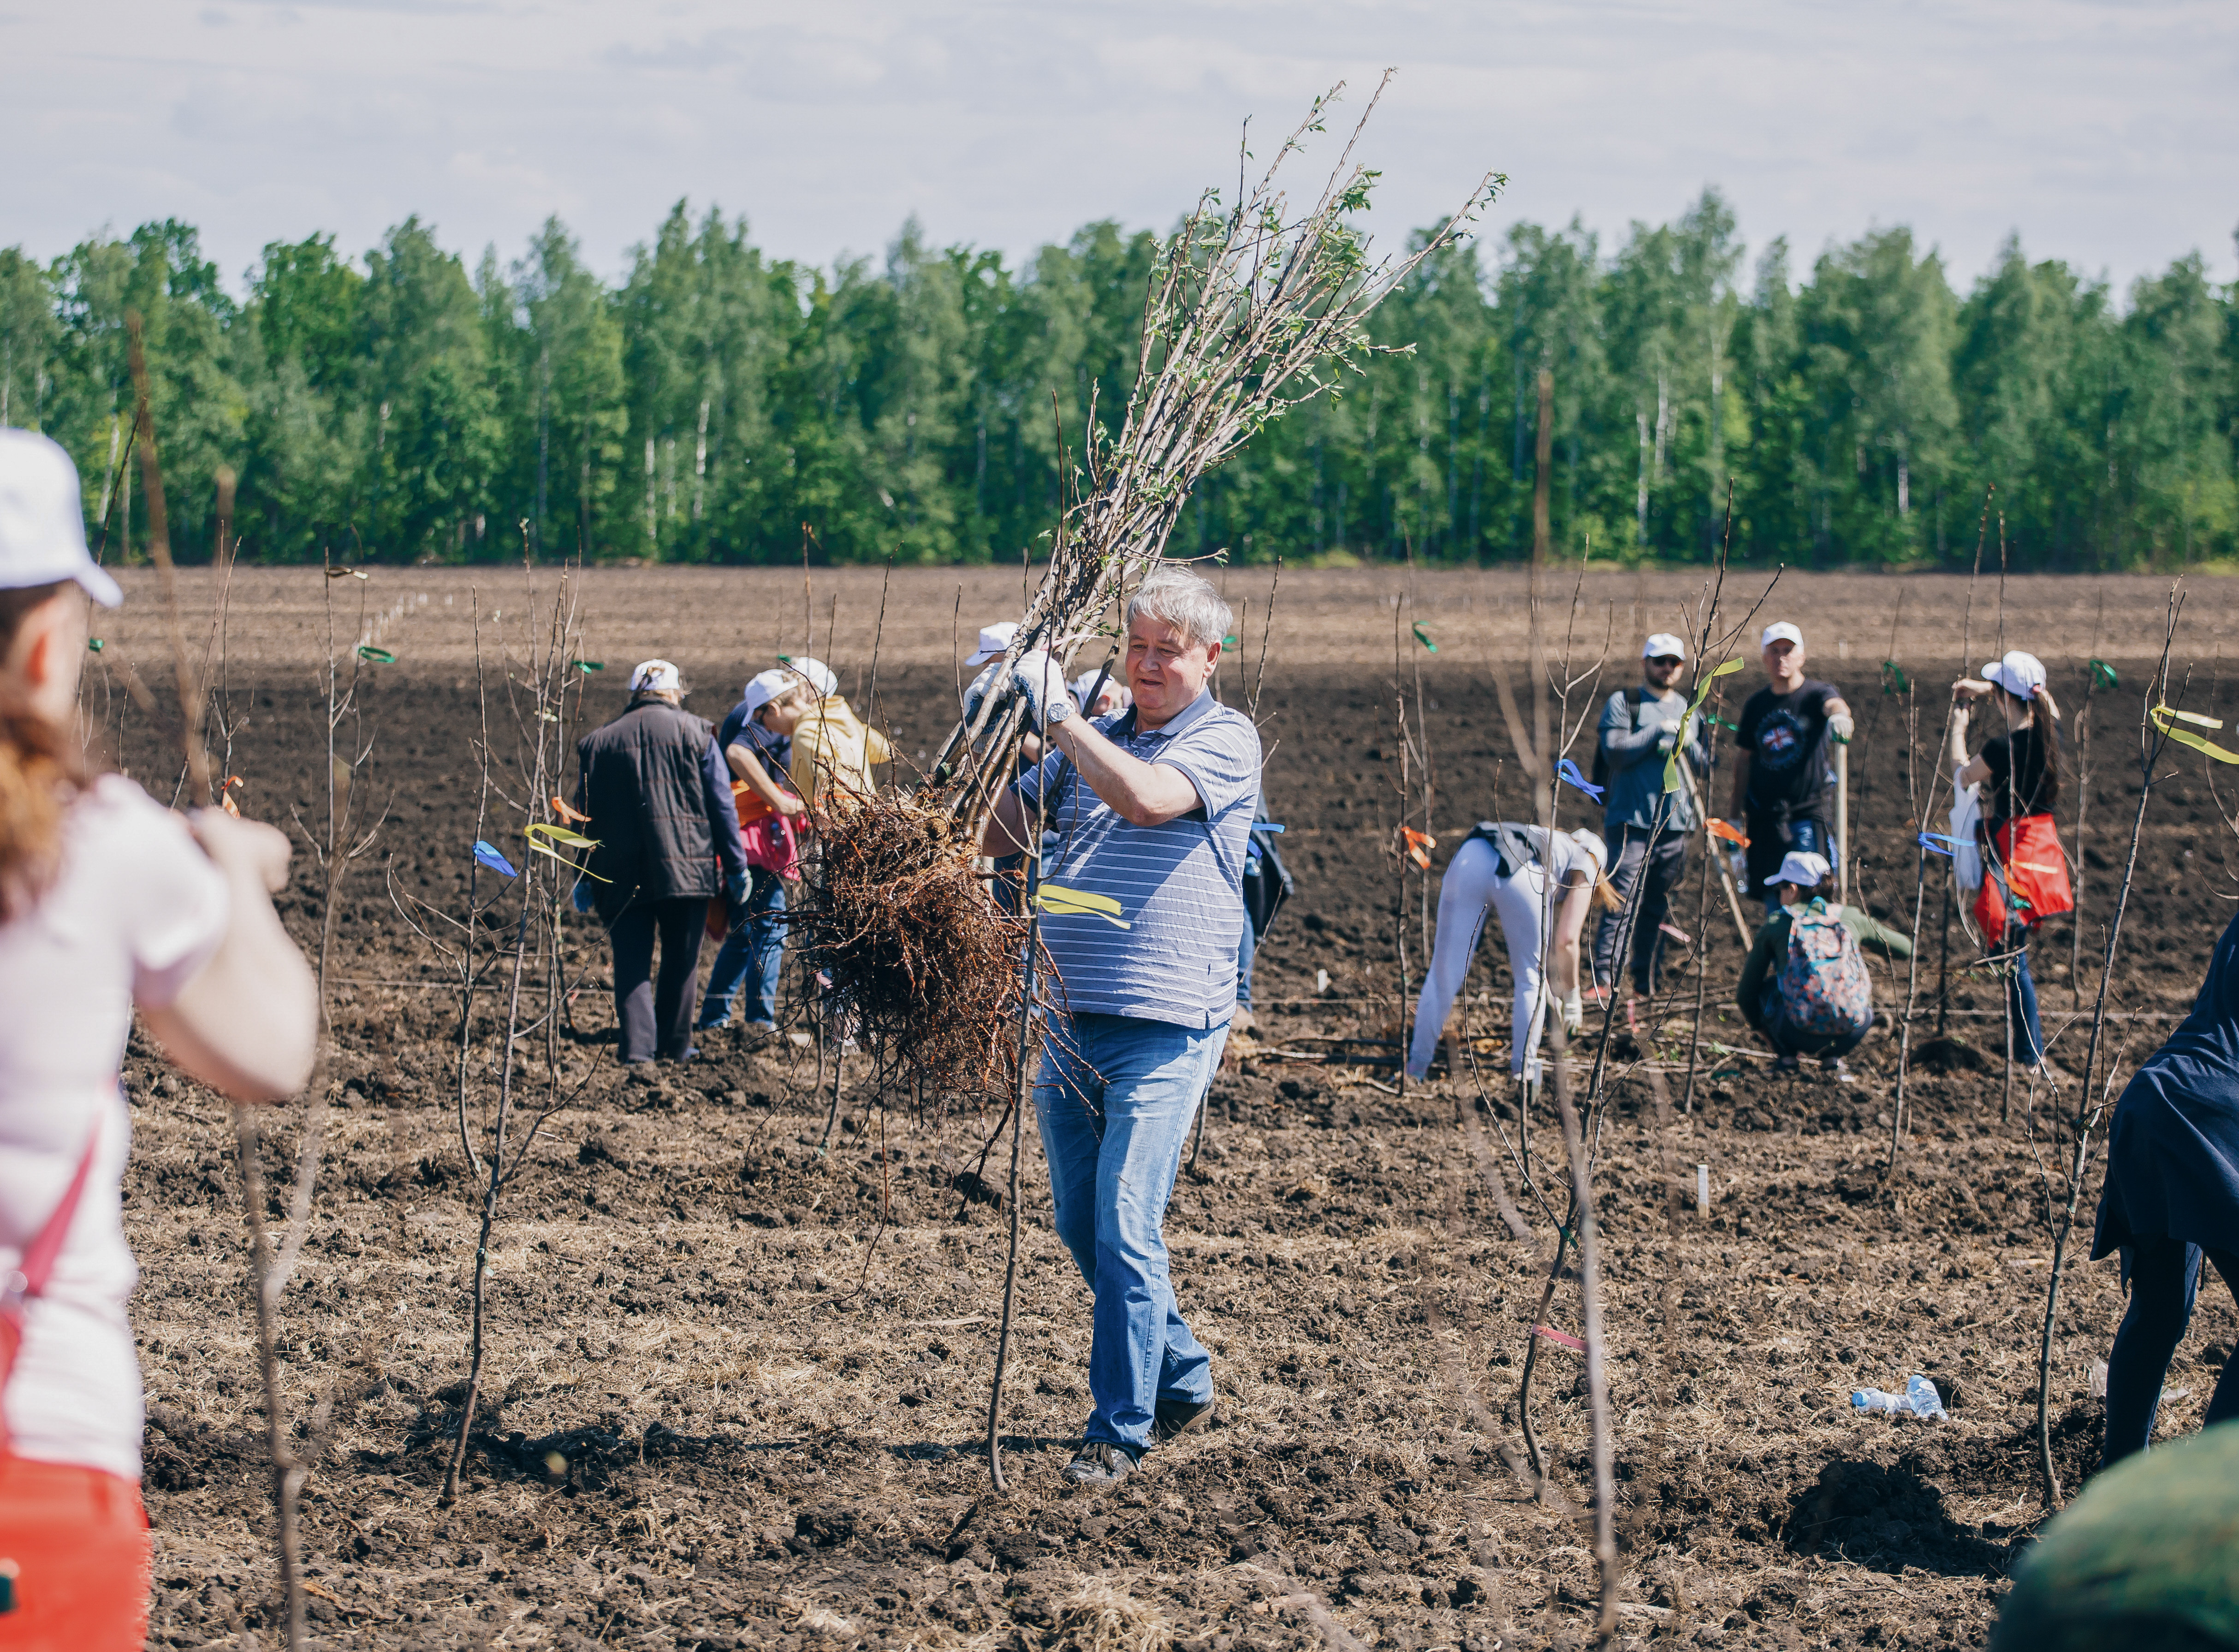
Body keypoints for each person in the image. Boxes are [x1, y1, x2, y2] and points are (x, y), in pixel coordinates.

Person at [0, 429, 318, 1647]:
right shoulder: (106, 845)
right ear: (46, 645)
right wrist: (234, 875)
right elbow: (269, 1048)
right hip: (36, 1452)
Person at [976, 570, 1260, 1489]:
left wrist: (1061, 717)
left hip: (1166, 1026)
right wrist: (1006, 722)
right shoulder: (1093, 744)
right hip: (1067, 1016)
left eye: (1166, 652)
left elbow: (1144, 800)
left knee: (1126, 1226)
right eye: (1135, 647)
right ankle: (1178, 1374)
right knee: (1076, 1224)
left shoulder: (1224, 740)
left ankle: (1119, 1427)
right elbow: (1001, 830)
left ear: (1209, 659)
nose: (1146, 665)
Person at [2088, 903, 2239, 1468]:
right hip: (2210, 1112)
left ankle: (2114, 1498)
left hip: (2151, 1099)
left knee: (2158, 1311)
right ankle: (2204, 1508)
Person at [574, 660, 748, 1064]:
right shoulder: (698, 733)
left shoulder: (598, 743)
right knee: (681, 962)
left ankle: (637, 1053)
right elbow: (721, 805)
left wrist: (582, 871)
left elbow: (586, 813)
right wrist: (736, 866)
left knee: (631, 963)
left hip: (617, 872)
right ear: (675, 693)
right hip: (686, 870)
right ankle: (674, 1046)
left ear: (634, 693)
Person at [1403, 822, 1611, 1084]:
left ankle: (1415, 1071)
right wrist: (1571, 998)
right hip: (1521, 870)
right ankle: (1522, 1074)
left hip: (1472, 853)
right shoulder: (1589, 860)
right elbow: (1567, 940)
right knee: (1528, 978)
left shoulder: (1552, 841)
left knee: (1443, 975)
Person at [1951, 651, 2064, 1074]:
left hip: (2009, 856)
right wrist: (1990, 689)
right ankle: (2028, 1051)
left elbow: (1962, 776)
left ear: (2004, 696)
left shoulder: (2002, 748)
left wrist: (1958, 729)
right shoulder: (2050, 733)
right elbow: (2044, 701)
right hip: (2040, 852)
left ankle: (2029, 1055)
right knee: (2015, 953)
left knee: (2011, 956)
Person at [1592, 631, 1707, 1003]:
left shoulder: (1692, 710)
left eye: (1674, 662)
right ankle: (1605, 981)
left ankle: (1644, 984)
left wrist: (1690, 743)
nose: (1667, 668)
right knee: (1620, 903)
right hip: (1631, 823)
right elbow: (1614, 752)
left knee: (1657, 906)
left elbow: (1705, 765)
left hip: (1675, 827)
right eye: (1660, 661)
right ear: (1646, 664)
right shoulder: (1625, 703)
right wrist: (1655, 733)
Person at [697, 668, 808, 1041]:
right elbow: (735, 752)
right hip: (757, 840)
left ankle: (714, 1015)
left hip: (744, 838)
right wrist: (779, 801)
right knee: (769, 928)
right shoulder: (763, 722)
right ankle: (761, 1021)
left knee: (745, 932)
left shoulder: (764, 717)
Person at [1734, 850, 1909, 1075]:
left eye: (1781, 889)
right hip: (1851, 1031)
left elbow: (1745, 994)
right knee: (1849, 990)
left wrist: (1767, 1037)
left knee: (1767, 990)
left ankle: (1787, 1060)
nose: (1779, 896)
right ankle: (1832, 1060)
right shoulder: (1850, 918)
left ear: (1793, 889)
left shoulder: (1779, 922)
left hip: (1793, 1030)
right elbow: (1905, 949)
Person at [1728, 622, 1853, 906]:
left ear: (1802, 656)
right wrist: (1734, 818)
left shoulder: (1816, 694)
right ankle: (1780, 949)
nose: (1781, 657)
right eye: (1774, 651)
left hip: (1807, 815)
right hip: (1765, 820)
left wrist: (1841, 717)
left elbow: (1835, 705)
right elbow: (1743, 761)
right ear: (1764, 658)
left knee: (1812, 896)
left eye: (1788, 650)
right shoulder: (1757, 705)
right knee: (1775, 901)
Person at [784, 656, 891, 814]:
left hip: (842, 824)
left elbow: (832, 784)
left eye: (791, 689)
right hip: (870, 816)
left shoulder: (809, 730)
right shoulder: (845, 718)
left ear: (810, 688)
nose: (786, 695)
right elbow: (884, 752)